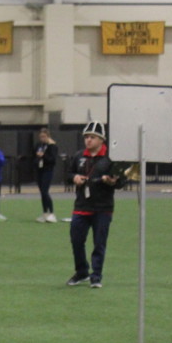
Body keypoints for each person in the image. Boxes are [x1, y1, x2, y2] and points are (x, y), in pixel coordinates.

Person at [66, 121, 123, 288]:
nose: (88, 140)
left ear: (101, 140)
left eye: (92, 137)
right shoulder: (79, 156)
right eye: (86, 137)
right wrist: (74, 178)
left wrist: (111, 181)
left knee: (99, 243)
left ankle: (96, 275)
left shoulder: (110, 158)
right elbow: (68, 174)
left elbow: (121, 182)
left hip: (102, 207)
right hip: (81, 206)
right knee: (76, 240)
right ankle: (82, 271)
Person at [35, 127, 58, 223]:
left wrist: (43, 155)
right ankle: (45, 213)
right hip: (40, 170)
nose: (42, 138)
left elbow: (52, 160)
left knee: (45, 191)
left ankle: (52, 213)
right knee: (42, 192)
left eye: (44, 136)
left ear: (48, 136)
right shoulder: (40, 145)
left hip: (48, 171)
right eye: (41, 137)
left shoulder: (52, 146)